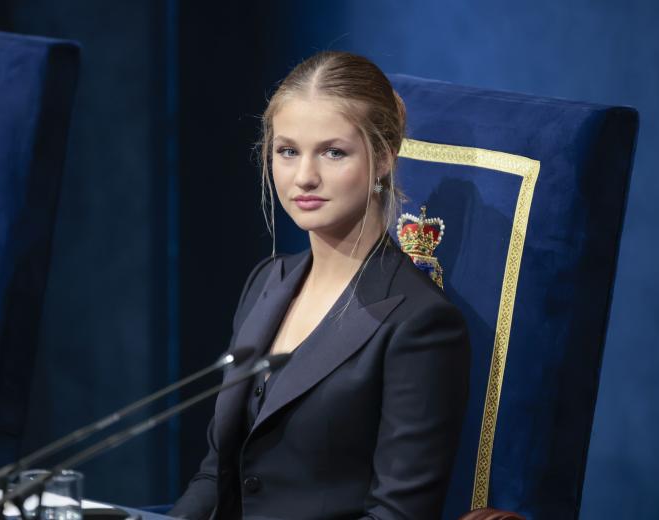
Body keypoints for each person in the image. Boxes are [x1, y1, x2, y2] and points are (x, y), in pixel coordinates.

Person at [170, 51, 470, 520]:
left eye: (333, 152)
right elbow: (216, 474)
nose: (304, 177)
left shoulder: (421, 323)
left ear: (384, 158)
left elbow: (397, 515)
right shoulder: (267, 281)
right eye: (288, 151)